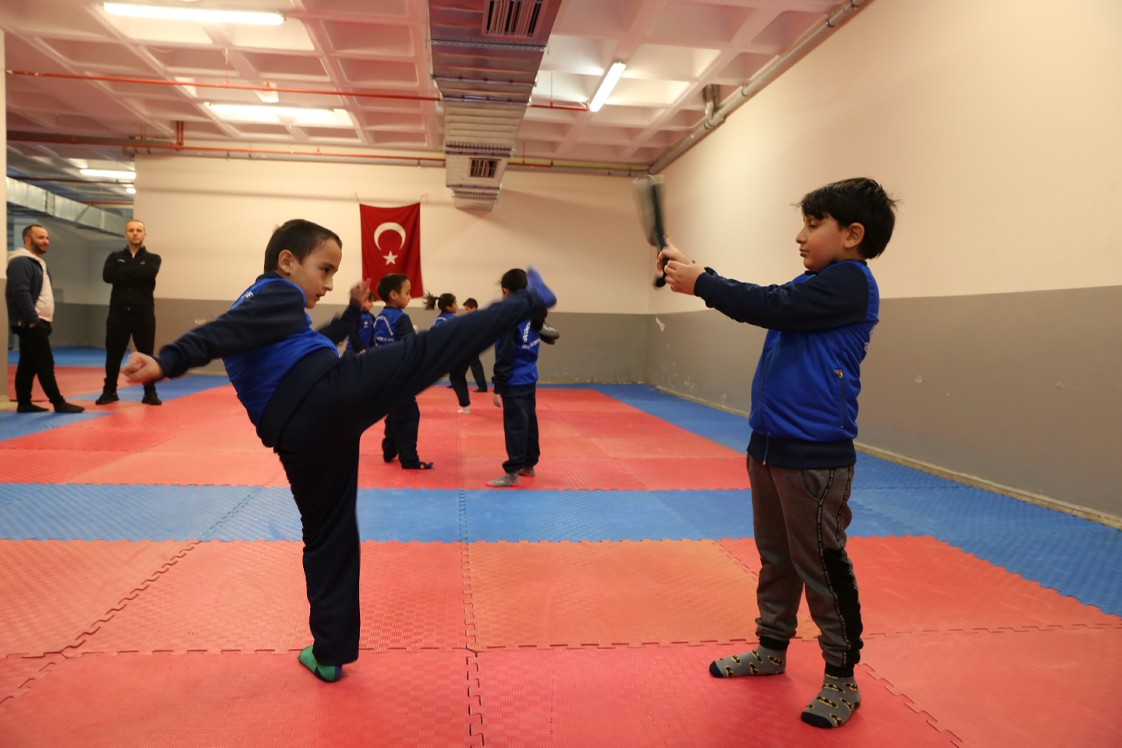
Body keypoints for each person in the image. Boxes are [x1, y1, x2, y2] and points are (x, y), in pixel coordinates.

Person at [122, 219, 555, 683]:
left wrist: (351, 313)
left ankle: (328, 652)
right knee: (429, 349)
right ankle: (529, 300)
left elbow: (308, 336)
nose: (328, 283)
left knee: (328, 536)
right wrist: (168, 359)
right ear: (287, 262)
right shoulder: (272, 292)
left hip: (297, 437)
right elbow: (220, 332)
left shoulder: (276, 311)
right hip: (325, 394)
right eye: (323, 270)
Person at [659, 177, 897, 729]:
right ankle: (772, 647)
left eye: (814, 225)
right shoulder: (816, 280)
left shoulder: (850, 283)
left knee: (823, 565)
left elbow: (770, 304)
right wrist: (694, 269)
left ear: (853, 234)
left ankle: (841, 677)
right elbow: (772, 299)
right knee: (777, 557)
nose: (800, 235)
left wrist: (702, 282)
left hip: (816, 457)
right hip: (767, 447)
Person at [5, 224, 85, 413]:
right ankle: (58, 402)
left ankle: (24, 403)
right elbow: (19, 292)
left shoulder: (36, 262)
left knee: (28, 363)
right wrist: (33, 318)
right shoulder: (21, 262)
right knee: (45, 361)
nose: (45, 241)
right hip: (31, 322)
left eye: (47, 238)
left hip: (39, 320)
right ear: (27, 239)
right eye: (40, 237)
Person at [487, 269, 544, 488]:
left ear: (505, 291)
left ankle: (512, 472)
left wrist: (498, 386)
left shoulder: (509, 317)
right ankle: (528, 465)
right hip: (530, 377)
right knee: (529, 422)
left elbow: (505, 354)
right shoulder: (534, 311)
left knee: (515, 426)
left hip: (514, 380)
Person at [97, 219, 163, 406]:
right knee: (114, 354)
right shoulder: (114, 256)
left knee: (147, 355)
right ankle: (109, 391)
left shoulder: (153, 258)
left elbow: (148, 274)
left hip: (144, 313)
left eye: (139, 230)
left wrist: (124, 272)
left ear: (144, 234)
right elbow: (108, 276)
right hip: (118, 313)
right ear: (126, 234)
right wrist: (136, 272)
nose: (135, 233)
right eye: (131, 230)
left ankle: (149, 392)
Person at [373, 274, 432, 470]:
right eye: (407, 293)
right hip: (400, 376)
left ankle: (389, 448)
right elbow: (411, 346)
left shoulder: (379, 317)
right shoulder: (401, 318)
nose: (409, 297)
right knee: (409, 414)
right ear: (393, 295)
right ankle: (409, 458)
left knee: (394, 411)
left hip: (384, 375)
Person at [425, 292, 472, 413]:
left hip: (458, 354)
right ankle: (466, 405)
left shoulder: (443, 320)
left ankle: (466, 405)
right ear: (448, 307)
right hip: (463, 353)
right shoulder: (448, 319)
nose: (457, 306)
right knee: (458, 378)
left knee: (456, 378)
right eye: (455, 303)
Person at [461, 297, 488, 392]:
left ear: (473, 308)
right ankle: (457, 381)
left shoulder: (478, 317)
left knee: (475, 364)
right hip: (471, 343)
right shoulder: (474, 317)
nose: (467, 312)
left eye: (468, 310)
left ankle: (482, 386)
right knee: (463, 363)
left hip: (474, 344)